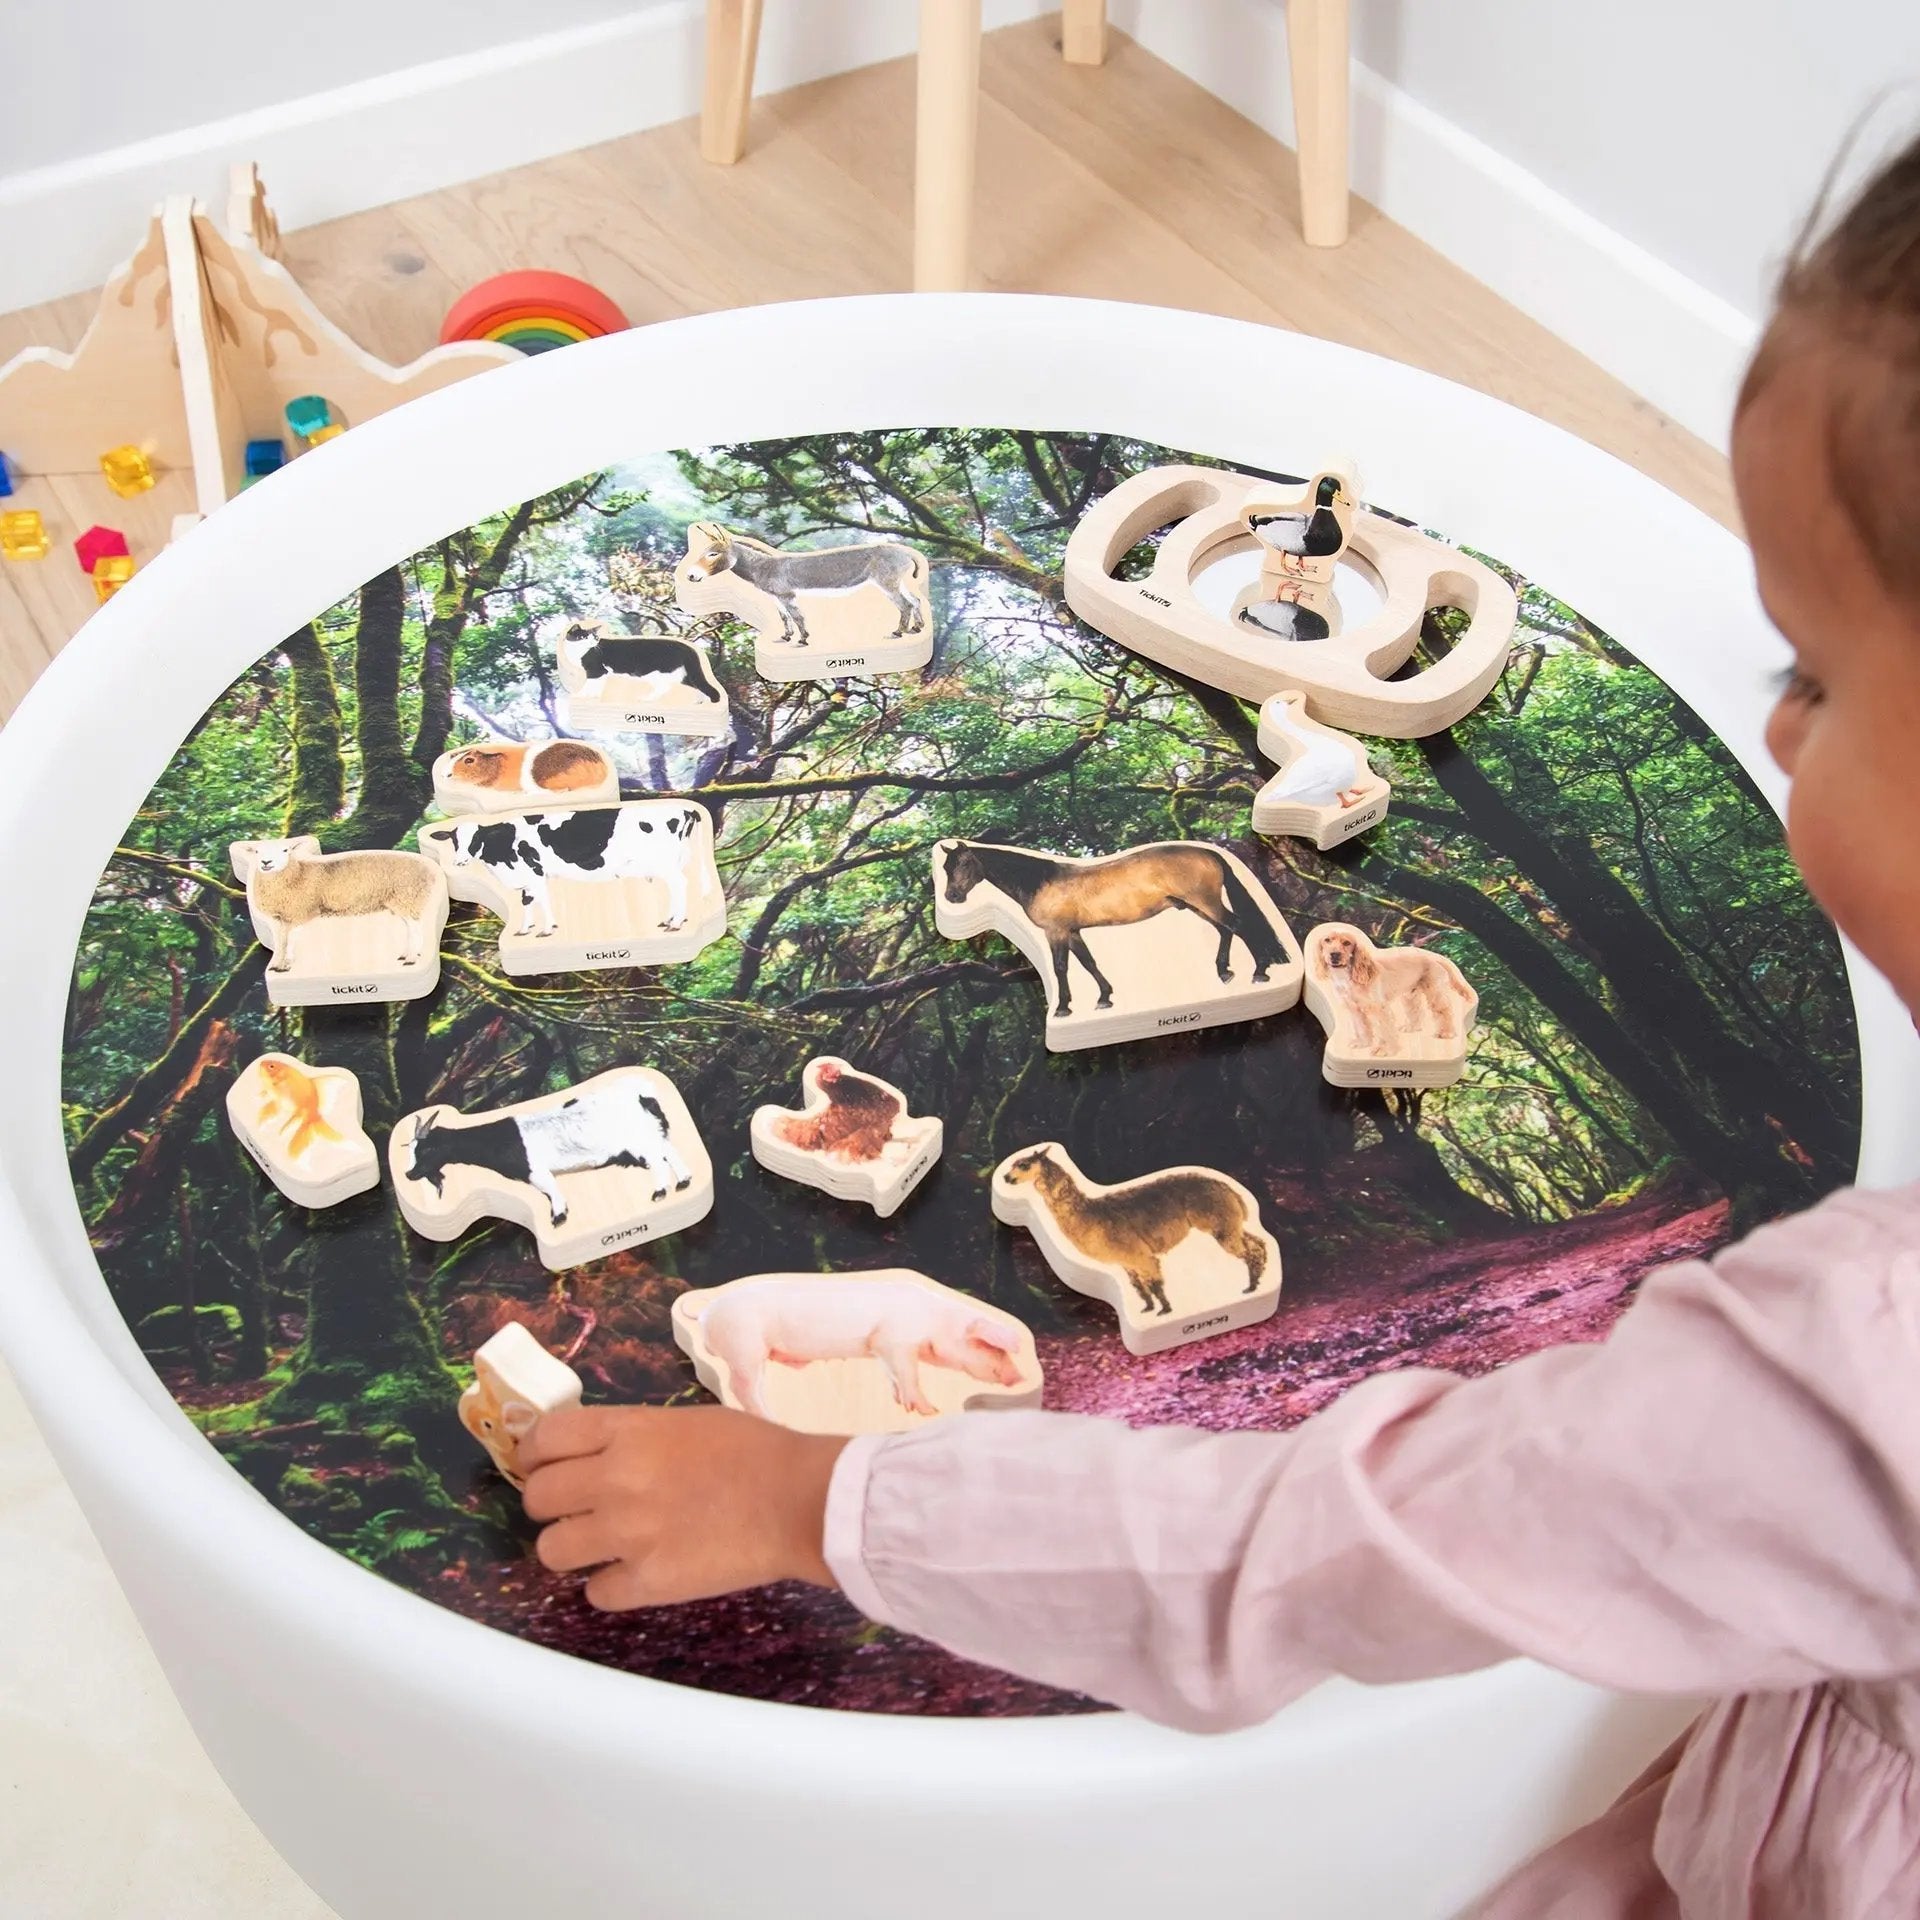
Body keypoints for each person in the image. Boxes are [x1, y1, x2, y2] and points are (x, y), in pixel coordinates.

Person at [514, 130, 1920, 1917]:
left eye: (1821, 672)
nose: (1784, 735)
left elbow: (1321, 1545)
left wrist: (819, 1504)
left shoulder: (1865, 1361)